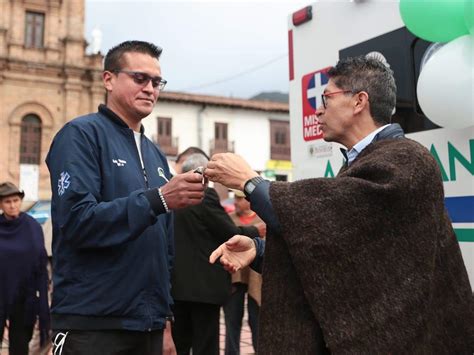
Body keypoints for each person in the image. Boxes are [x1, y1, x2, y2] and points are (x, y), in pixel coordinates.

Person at [205, 56, 474, 353]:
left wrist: (249, 182)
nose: (318, 111)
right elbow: (341, 252)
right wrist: (260, 251)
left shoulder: (408, 160)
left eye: (326, 98)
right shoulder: (362, 164)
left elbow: (317, 219)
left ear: (359, 101)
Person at [46, 40, 206, 355]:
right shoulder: (80, 136)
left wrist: (166, 321)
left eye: (157, 82)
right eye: (139, 78)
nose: (150, 88)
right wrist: (158, 199)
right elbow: (77, 222)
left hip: (148, 325)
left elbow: (165, 249)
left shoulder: (156, 154)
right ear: (108, 79)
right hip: (93, 323)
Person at [170, 152, 260, 355]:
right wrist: (256, 231)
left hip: (176, 287)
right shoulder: (204, 196)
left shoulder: (171, 197)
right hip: (203, 287)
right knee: (206, 345)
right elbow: (229, 232)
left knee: (180, 344)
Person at [0, 182, 50, 355]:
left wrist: (41, 294)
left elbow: (40, 263)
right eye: (7, 202)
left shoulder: (32, 227)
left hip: (24, 297)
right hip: (0, 293)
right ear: (1, 204)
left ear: (21, 201)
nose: (12, 205)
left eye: (15, 200)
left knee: (20, 346)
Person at [224, 190, 264, 355]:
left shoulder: (263, 220)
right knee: (232, 320)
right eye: (236, 198)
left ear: (249, 200)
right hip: (234, 277)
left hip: (257, 279)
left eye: (240, 198)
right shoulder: (229, 220)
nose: (236, 202)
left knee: (257, 321)